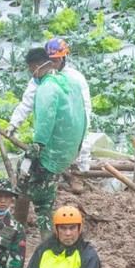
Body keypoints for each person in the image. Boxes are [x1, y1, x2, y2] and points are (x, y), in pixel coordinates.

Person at [15, 48, 86, 235]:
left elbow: (44, 126)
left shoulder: (47, 88)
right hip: (67, 151)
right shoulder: (71, 82)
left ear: (37, 67)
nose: (33, 75)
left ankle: (45, 241)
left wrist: (32, 155)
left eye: (32, 71)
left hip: (50, 154)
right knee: (23, 180)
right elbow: (84, 116)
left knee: (43, 204)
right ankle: (18, 224)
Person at [8, 38, 92, 172]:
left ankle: (79, 173)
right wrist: (14, 123)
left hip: (70, 122)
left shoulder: (75, 78)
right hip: (52, 123)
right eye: (50, 61)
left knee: (82, 146)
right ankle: (54, 173)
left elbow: (85, 108)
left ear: (64, 59)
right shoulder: (39, 78)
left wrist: (81, 128)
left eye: (56, 61)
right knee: (48, 150)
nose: (52, 65)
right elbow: (27, 102)